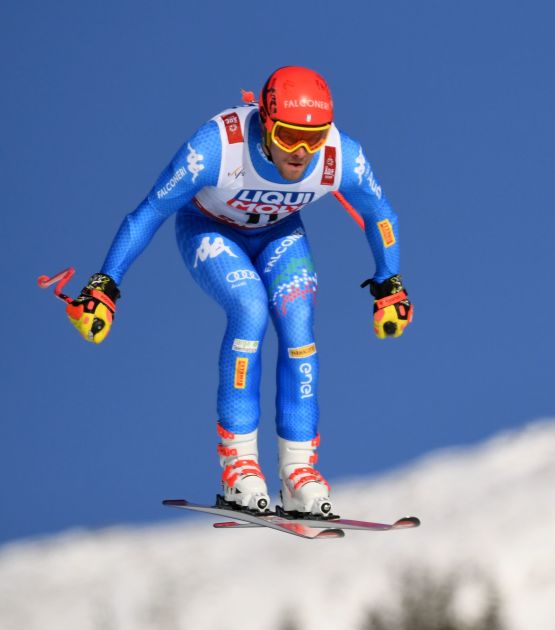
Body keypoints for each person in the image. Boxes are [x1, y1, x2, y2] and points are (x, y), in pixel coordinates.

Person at [64, 66, 413, 518]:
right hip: (209, 228)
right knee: (250, 309)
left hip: (279, 232)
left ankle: (298, 472)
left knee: (298, 316)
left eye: (315, 137)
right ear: (267, 123)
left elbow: (380, 212)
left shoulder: (339, 156)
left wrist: (390, 283)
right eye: (289, 136)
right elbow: (149, 211)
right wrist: (105, 285)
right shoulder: (217, 147)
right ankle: (239, 467)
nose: (302, 153)